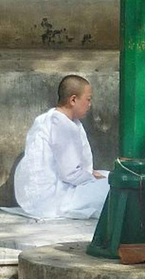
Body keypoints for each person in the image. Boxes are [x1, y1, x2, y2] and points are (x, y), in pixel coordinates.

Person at [14, 75, 109, 219]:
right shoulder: (61, 124)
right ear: (73, 100)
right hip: (52, 197)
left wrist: (90, 174)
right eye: (88, 100)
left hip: (53, 189)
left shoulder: (52, 118)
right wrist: (91, 178)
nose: (89, 105)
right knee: (116, 187)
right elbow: (70, 174)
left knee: (109, 176)